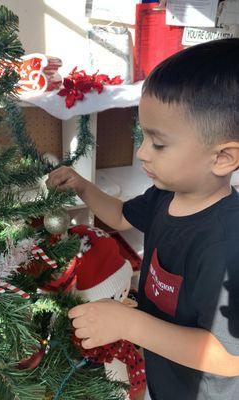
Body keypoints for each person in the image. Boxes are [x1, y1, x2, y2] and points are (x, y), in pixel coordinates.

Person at [46, 38, 239, 400]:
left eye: (158, 143)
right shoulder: (165, 195)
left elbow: (230, 356)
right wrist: (84, 187)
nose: (141, 152)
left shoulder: (227, 246)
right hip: (164, 374)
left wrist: (130, 324)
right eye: (143, 136)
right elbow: (119, 216)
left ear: (224, 158)